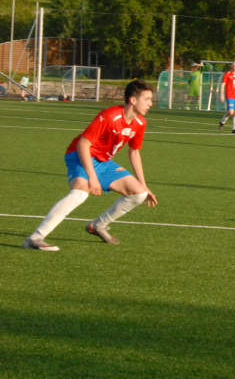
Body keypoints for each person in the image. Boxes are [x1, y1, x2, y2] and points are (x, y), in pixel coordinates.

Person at [22, 80, 158, 251]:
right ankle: (35, 238)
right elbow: (83, 144)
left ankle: (98, 226)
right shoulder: (109, 116)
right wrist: (92, 177)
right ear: (133, 100)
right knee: (79, 194)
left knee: (139, 194)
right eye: (147, 99)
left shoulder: (140, 123)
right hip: (80, 155)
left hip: (103, 161)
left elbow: (134, 152)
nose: (150, 104)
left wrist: (144, 185)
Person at [219, 61, 235, 133]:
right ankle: (222, 121)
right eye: (233, 66)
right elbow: (223, 84)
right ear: (231, 66)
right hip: (229, 95)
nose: (234, 67)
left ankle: (234, 129)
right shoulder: (227, 74)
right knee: (231, 112)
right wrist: (222, 95)